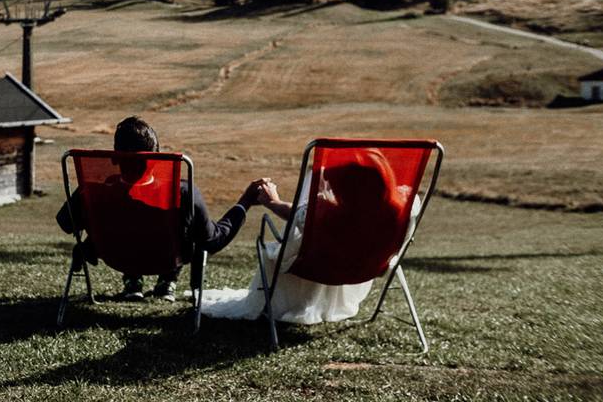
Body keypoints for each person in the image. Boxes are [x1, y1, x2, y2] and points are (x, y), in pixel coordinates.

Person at [56, 116, 272, 302]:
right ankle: (167, 280)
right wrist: (244, 202)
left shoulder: (92, 192)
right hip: (166, 258)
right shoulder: (183, 194)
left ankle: (133, 279)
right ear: (157, 158)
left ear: (114, 157)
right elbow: (212, 240)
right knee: (187, 234)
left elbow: (66, 223)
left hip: (115, 257)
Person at [201, 149, 422, 324]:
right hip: (369, 267)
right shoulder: (406, 205)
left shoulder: (330, 213)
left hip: (317, 269)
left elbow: (296, 214)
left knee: (275, 250)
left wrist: (272, 201)